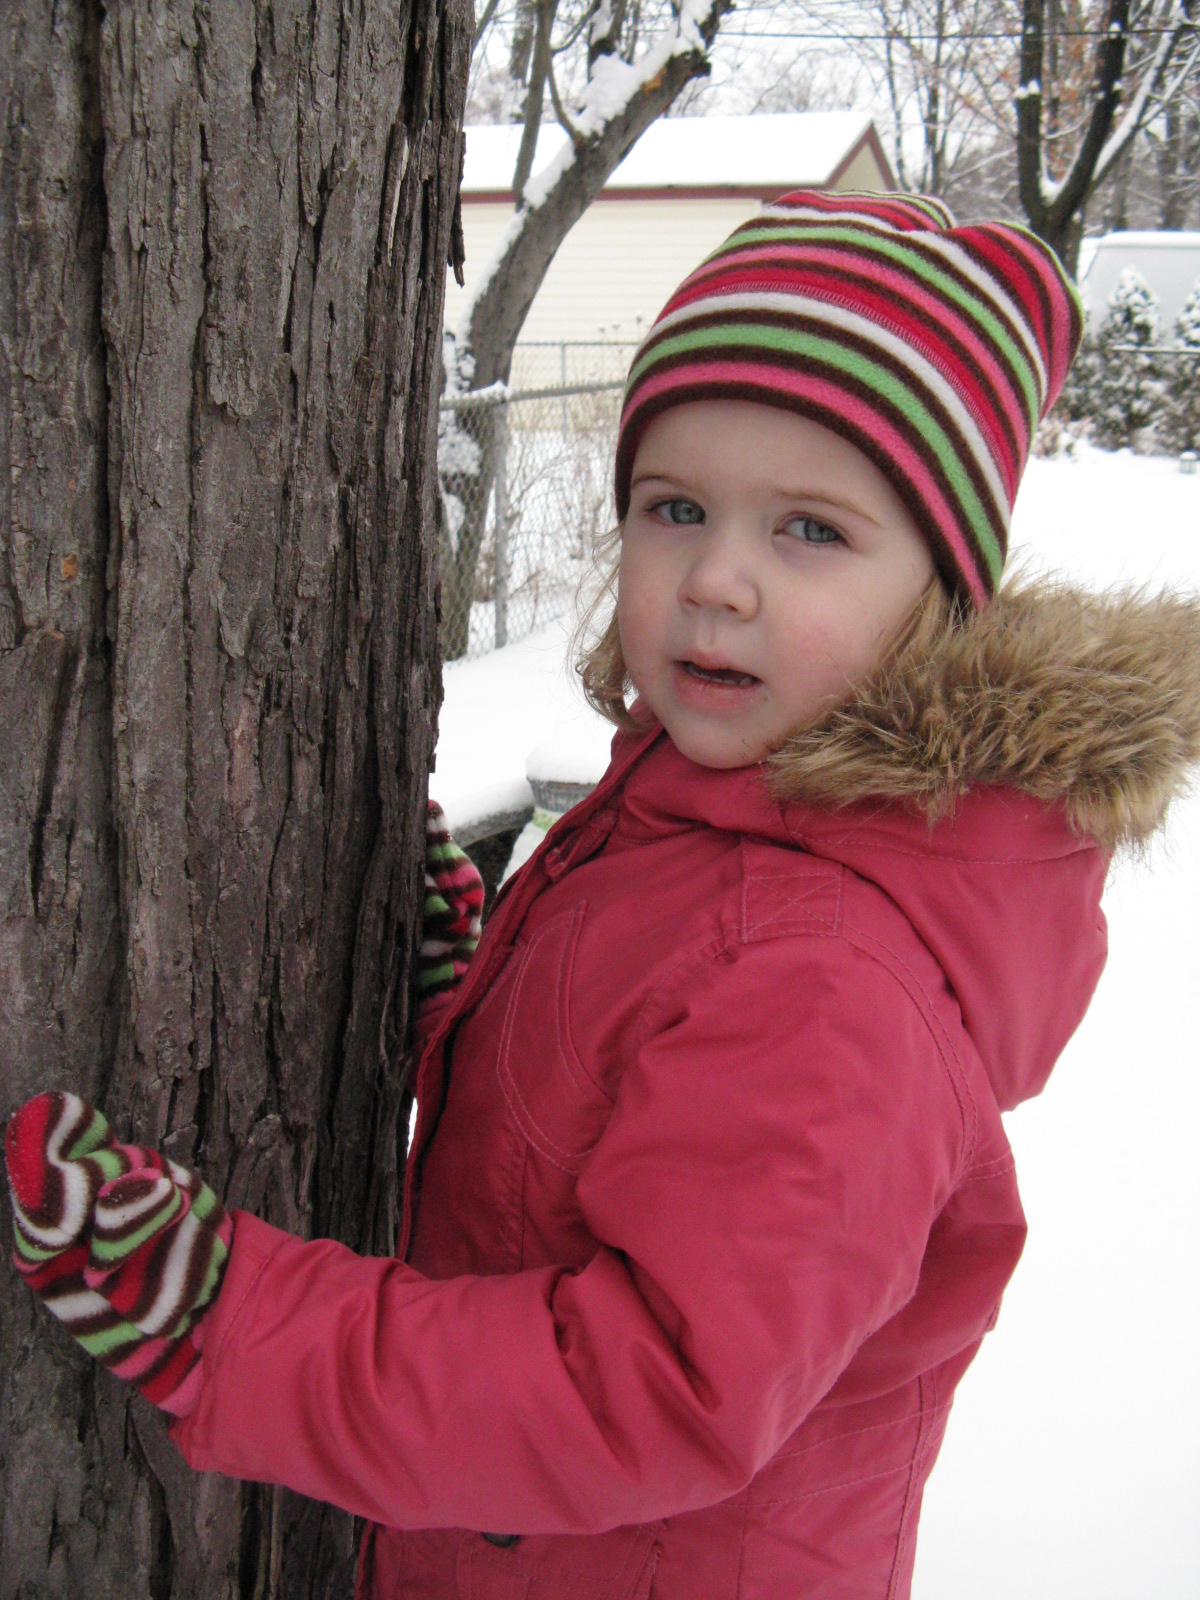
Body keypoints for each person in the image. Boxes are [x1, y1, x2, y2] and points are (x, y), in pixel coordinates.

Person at [7, 190, 1200, 1599]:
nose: (717, 580)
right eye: (675, 508)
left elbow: (645, 1391)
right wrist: (474, 996)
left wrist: (229, 1324)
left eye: (810, 530)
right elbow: (628, 1114)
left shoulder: (833, 981)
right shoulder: (713, 808)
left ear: (943, 599)